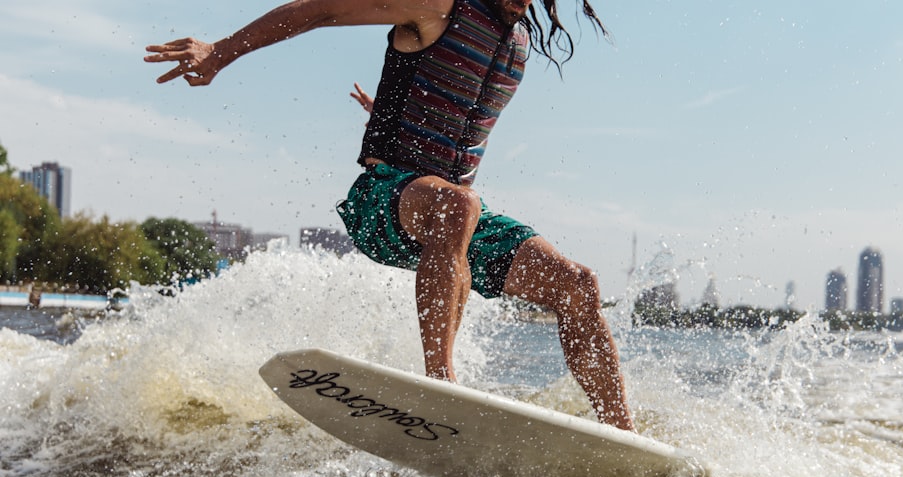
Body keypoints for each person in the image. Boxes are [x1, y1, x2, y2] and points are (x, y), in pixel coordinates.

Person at [146, 0, 635, 431]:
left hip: (450, 219)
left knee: (578, 284)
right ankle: (442, 386)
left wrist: (390, 111)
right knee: (460, 205)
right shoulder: (437, 6)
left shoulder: (517, 40)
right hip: (381, 203)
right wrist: (222, 50)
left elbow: (449, 104)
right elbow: (320, 9)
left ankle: (626, 440)